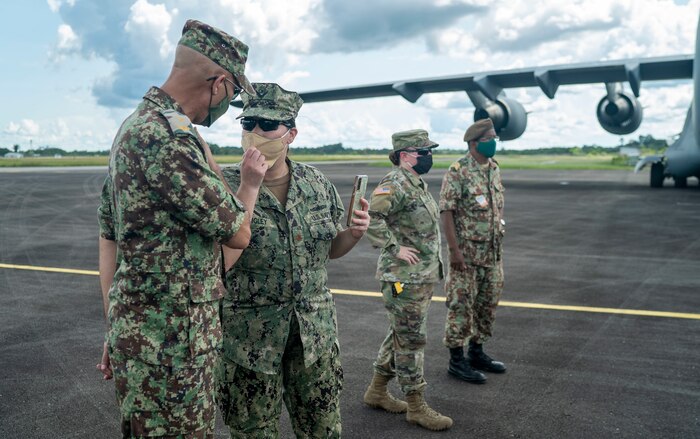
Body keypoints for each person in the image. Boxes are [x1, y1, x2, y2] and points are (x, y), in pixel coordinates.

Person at [95, 20, 267, 438]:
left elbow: (109, 239)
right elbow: (239, 232)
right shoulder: (172, 141)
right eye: (235, 93)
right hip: (172, 352)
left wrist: (118, 326)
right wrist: (231, 173)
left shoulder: (133, 128)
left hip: (147, 340)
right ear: (220, 83)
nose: (230, 104)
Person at [216, 82, 370, 438]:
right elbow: (220, 261)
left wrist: (354, 234)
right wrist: (248, 186)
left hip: (313, 337)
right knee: (253, 432)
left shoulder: (316, 183)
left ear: (291, 134)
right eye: (248, 123)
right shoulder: (222, 184)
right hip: (249, 343)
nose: (255, 133)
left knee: (322, 430)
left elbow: (330, 250)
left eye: (267, 126)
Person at [364, 129, 453, 431]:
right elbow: (370, 218)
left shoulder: (415, 183)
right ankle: (416, 405)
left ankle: (376, 391)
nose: (429, 156)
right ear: (404, 155)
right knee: (411, 340)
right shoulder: (395, 183)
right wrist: (394, 248)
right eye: (423, 151)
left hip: (420, 276)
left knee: (401, 334)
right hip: (403, 278)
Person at [440, 117, 507, 385]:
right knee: (461, 307)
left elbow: (497, 203)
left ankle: (477, 352)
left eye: (494, 138)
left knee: (487, 306)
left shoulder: (494, 168)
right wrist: (454, 252)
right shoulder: (458, 171)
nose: (493, 143)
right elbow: (447, 212)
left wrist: (499, 223)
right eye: (488, 139)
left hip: (492, 255)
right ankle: (457, 360)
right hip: (466, 256)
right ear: (474, 143)